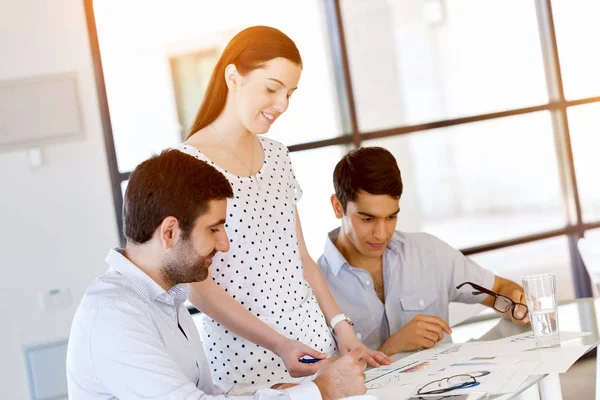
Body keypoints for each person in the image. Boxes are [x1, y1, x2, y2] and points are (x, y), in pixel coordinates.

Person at [179, 25, 389, 392]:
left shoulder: (277, 155)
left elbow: (300, 257)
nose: (282, 105)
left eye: (289, 93)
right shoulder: (186, 166)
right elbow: (199, 287)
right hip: (244, 361)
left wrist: (342, 331)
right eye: (272, 88)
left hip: (314, 351)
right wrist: (278, 344)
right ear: (233, 76)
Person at [66, 149, 369, 400]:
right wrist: (321, 391)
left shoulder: (166, 300)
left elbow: (203, 394)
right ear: (170, 232)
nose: (224, 245)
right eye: (214, 229)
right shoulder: (114, 314)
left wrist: (280, 393)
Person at [317, 146, 531, 357]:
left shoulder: (428, 252)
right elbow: (326, 387)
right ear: (337, 206)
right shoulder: (314, 289)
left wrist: (516, 302)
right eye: (367, 219)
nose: (381, 234)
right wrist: (390, 349)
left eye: (391, 217)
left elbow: (500, 289)